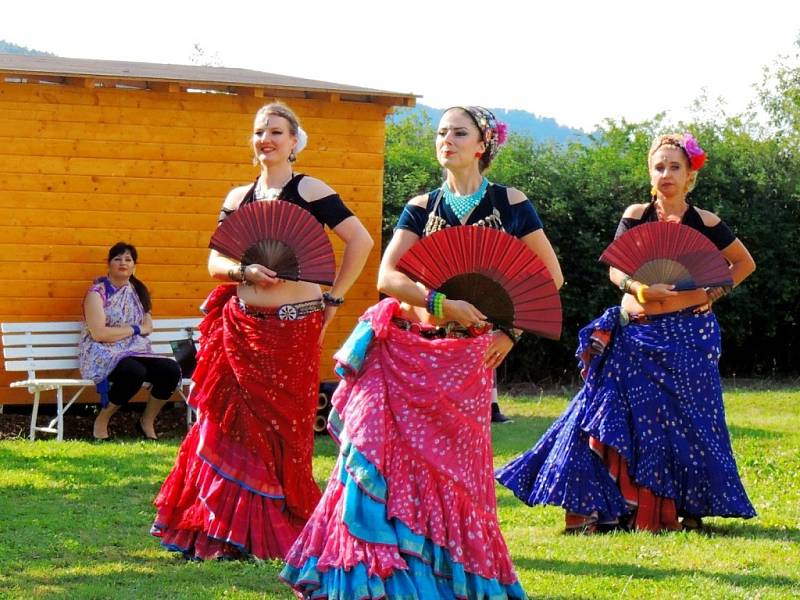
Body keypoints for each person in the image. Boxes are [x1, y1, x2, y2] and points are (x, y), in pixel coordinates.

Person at [281, 106, 563, 598]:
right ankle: (378, 571)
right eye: (440, 132)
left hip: (467, 362)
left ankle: (449, 578)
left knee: (456, 475)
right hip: (408, 350)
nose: (445, 139)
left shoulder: (511, 203)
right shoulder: (421, 204)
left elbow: (550, 278)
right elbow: (387, 277)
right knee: (375, 455)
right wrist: (440, 301)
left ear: (482, 145)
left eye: (458, 132)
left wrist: (510, 332)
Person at [496, 133, 757, 533]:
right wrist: (637, 288)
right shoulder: (636, 214)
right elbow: (617, 267)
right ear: (650, 172)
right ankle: (619, 508)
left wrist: (713, 293)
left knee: (691, 422)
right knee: (618, 413)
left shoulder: (706, 223)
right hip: (636, 331)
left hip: (689, 334)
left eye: (674, 167)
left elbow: (743, 263)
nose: (666, 173)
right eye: (659, 166)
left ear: (690, 176)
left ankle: (686, 508)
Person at [150, 102, 373, 561]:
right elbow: (215, 263)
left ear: (294, 141)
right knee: (226, 425)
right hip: (239, 328)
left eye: (276, 131)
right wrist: (244, 270)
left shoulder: (308, 188)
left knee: (282, 430)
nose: (265, 139)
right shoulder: (238, 198)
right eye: (259, 132)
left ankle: (275, 527)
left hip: (293, 331)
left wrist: (334, 297)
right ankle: (225, 529)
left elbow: (361, 240)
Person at [80, 242, 182, 441]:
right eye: (117, 259)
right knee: (133, 372)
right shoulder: (97, 294)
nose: (123, 263)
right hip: (103, 352)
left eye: (128, 259)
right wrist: (134, 329)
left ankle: (146, 421)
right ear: (109, 264)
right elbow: (99, 334)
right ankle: (102, 419)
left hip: (135, 350)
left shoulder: (138, 292)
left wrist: (134, 331)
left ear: (134, 266)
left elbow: (148, 326)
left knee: (170, 370)